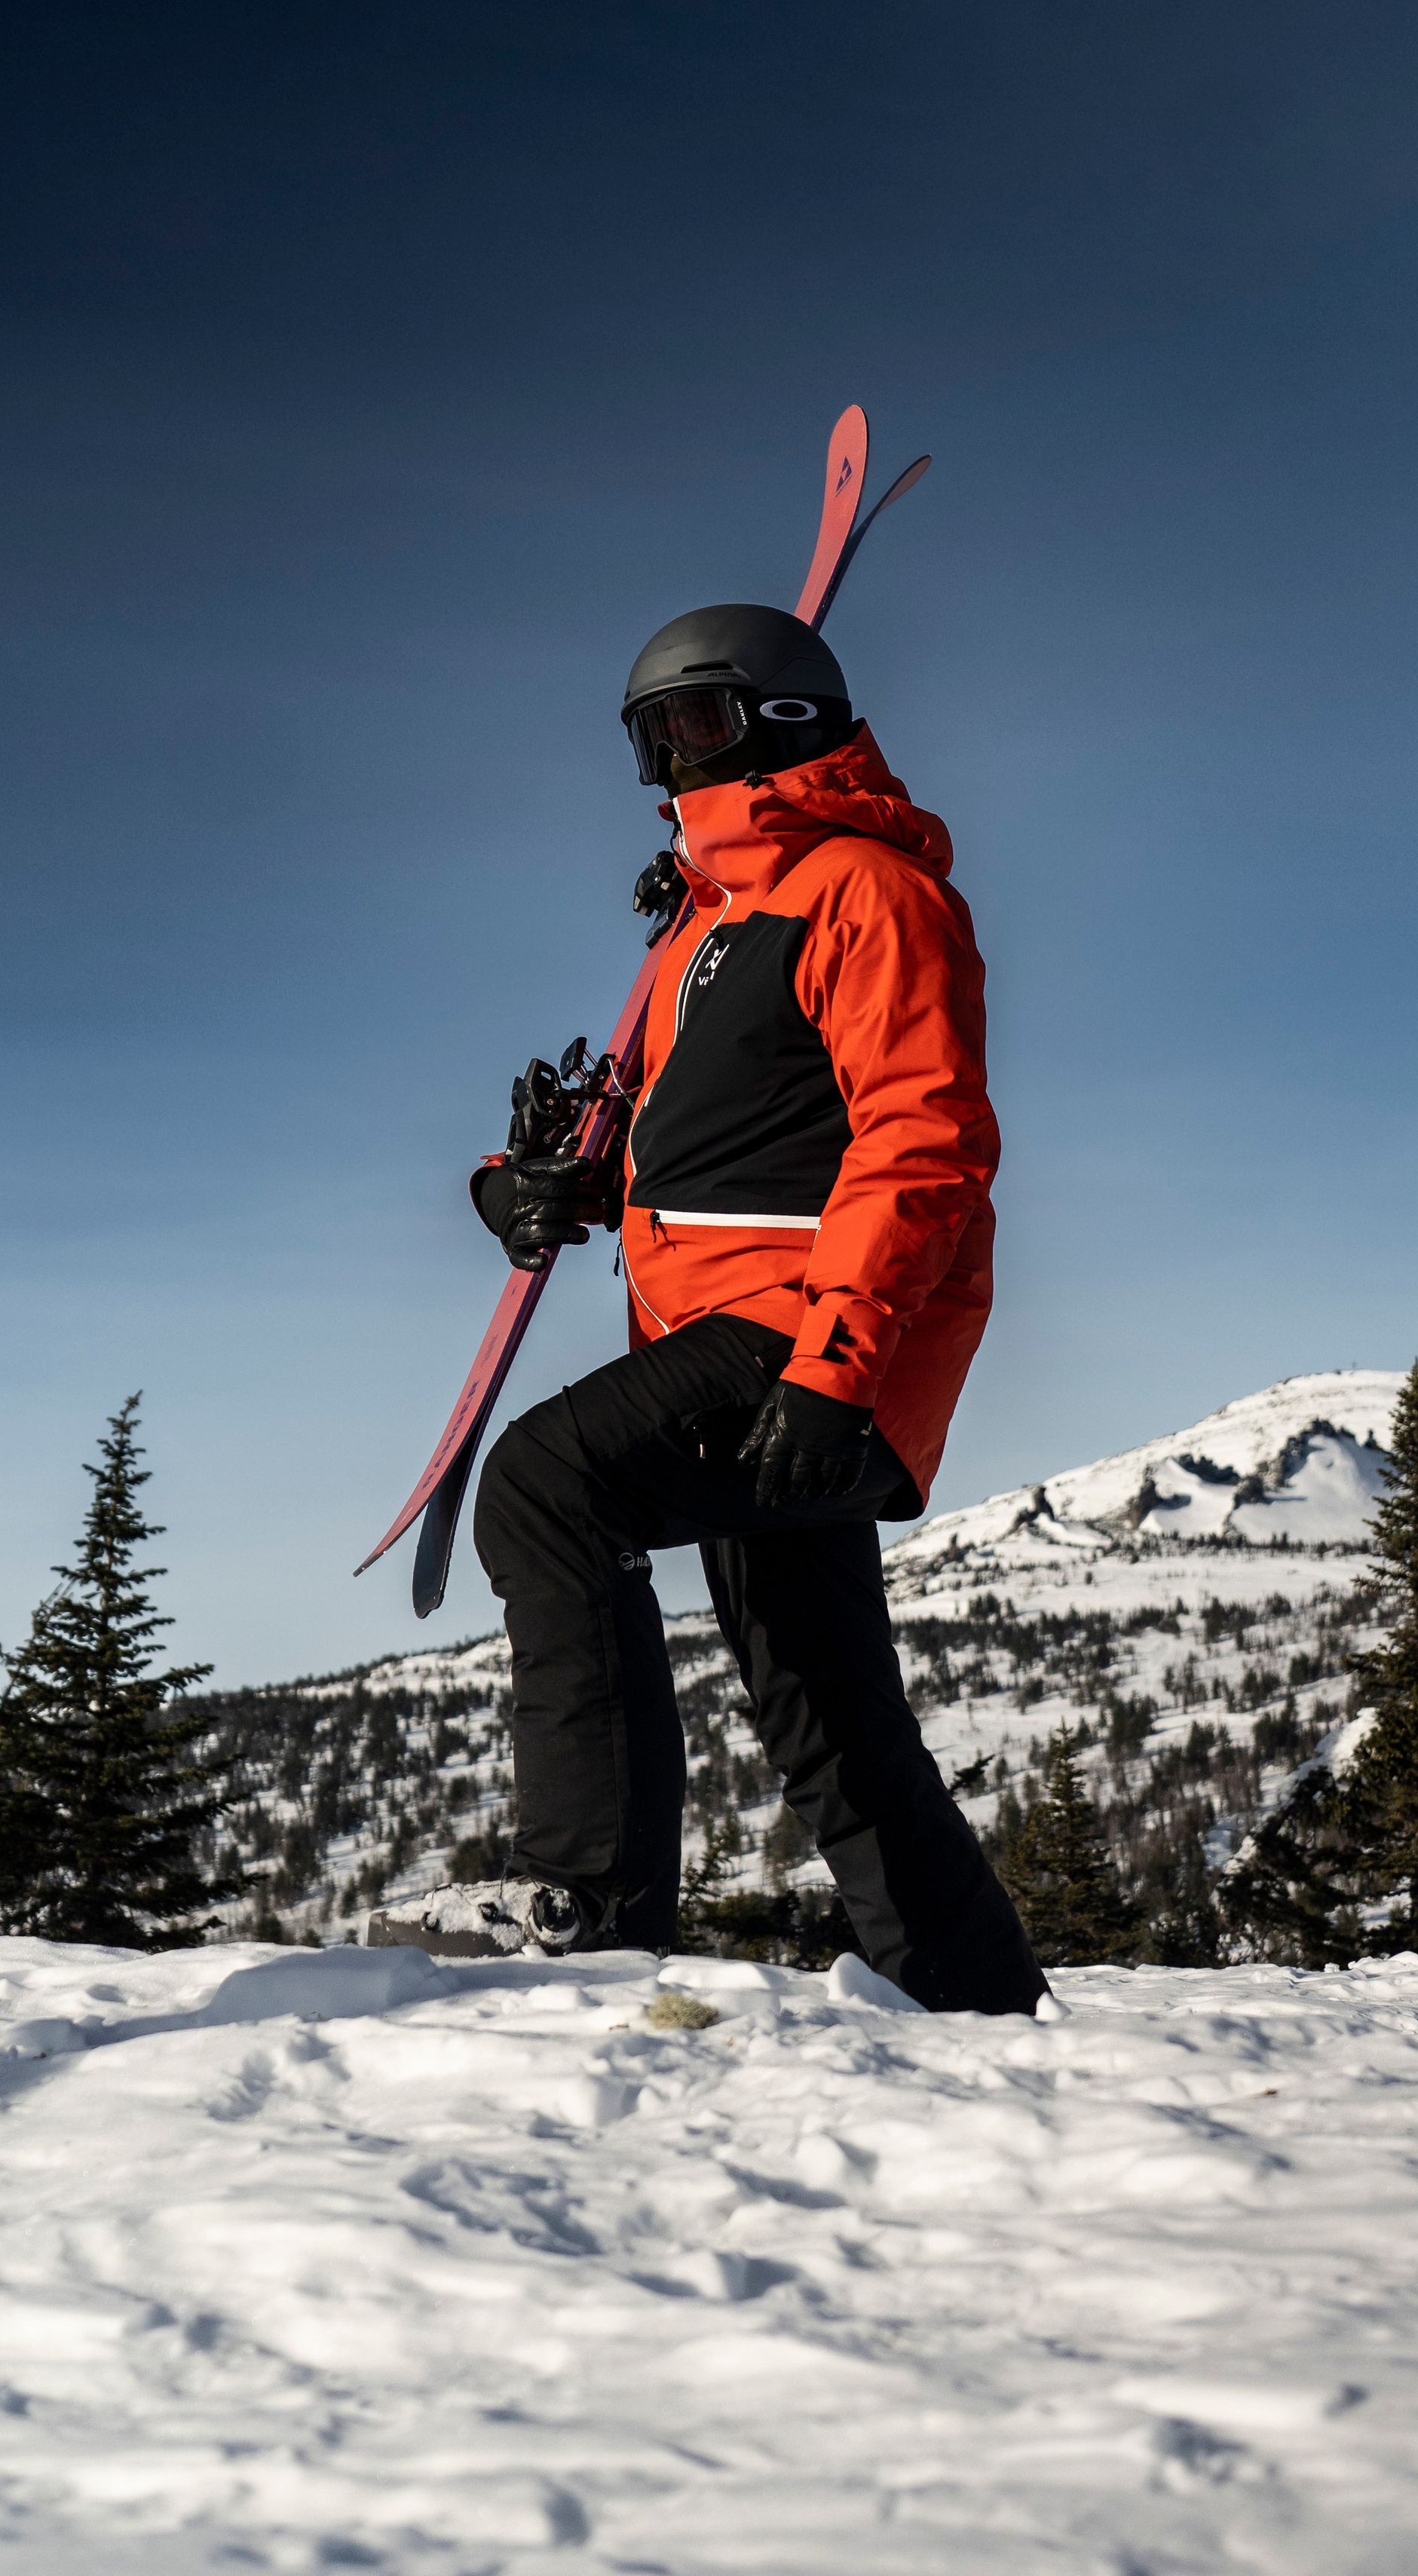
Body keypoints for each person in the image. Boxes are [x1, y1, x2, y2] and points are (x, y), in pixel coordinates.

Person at [469, 601, 1044, 2015]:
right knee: (825, 1706)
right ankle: (978, 2007)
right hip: (733, 1335)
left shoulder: (869, 892)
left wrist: (834, 1367)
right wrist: (533, 1185)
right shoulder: (703, 929)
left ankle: (588, 1911)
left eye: (699, 724)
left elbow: (924, 1141)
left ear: (785, 721)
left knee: (547, 1488)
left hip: (808, 1332)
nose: (675, 761)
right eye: (651, 737)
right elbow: (695, 1147)